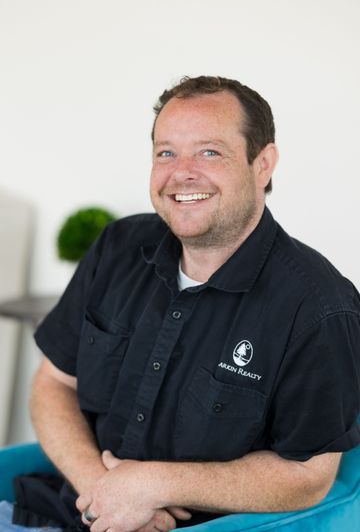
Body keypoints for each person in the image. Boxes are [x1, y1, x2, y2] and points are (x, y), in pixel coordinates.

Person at [3, 75, 360, 532]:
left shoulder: (318, 305)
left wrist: (153, 484)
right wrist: (104, 495)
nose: (181, 172)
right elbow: (53, 383)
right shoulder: (118, 246)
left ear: (263, 164)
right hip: (62, 510)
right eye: (166, 152)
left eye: (209, 151)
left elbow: (308, 476)